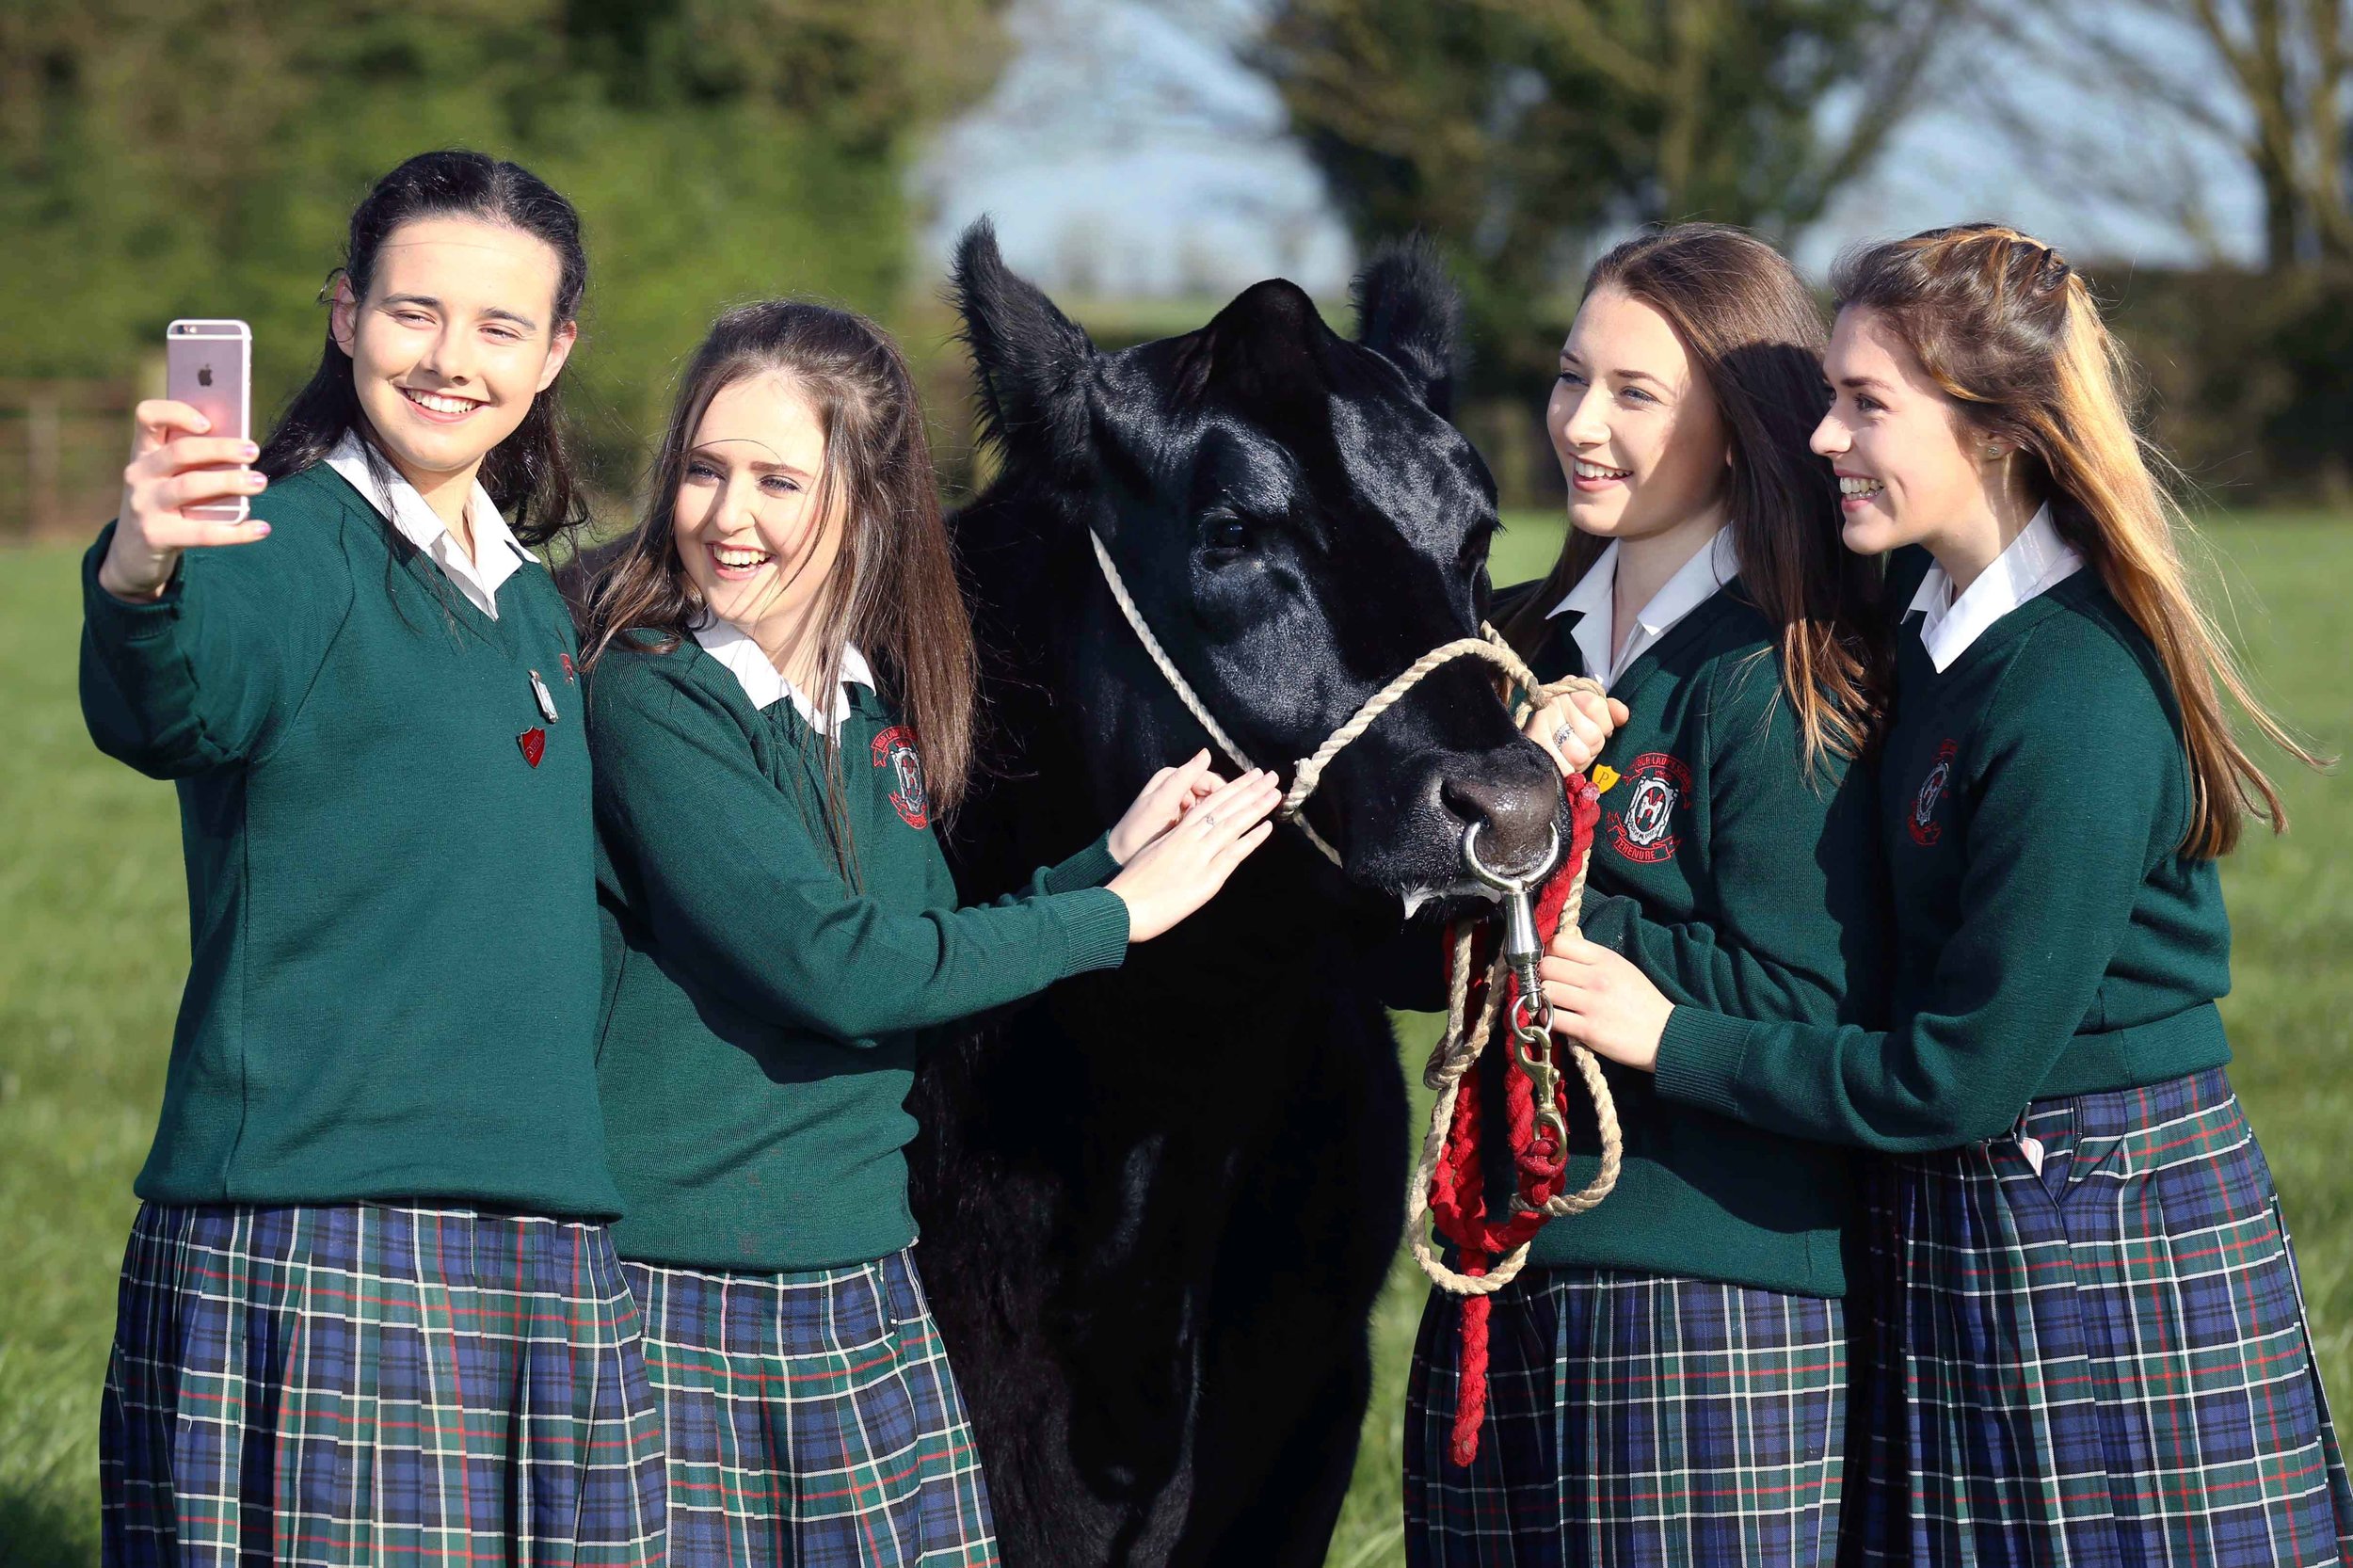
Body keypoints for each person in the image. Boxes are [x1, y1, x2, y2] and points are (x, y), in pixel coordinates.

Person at [1544, 222, 2353, 1565]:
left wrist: (1669, 1031)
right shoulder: (1926, 625)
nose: (1821, 438)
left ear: (1995, 430)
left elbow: (1959, 1077)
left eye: (1867, 406)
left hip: (2100, 1217)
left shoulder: (2077, 691)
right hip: (1969, 1209)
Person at [579, 299, 1281, 1565]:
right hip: (688, 1281)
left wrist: (1102, 854)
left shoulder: (865, 702)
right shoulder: (652, 691)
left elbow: (926, 939)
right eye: (703, 468)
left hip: (859, 1270)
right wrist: (1117, 912)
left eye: (777, 479)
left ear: (867, 497)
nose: (726, 514)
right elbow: (835, 967)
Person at [82, 150, 664, 1565]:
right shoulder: (278, 544)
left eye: (498, 326)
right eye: (414, 312)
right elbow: (171, 697)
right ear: (345, 317)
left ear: (554, 353)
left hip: (541, 1241)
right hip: (328, 1232)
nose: (450, 358)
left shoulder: (535, 602)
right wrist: (144, 568)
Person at [1404, 224, 1888, 1566]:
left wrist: (1564, 908)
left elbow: (1822, 994)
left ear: (1736, 431)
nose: (1581, 425)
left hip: (1712, 1292)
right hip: (1496, 1274)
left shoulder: (1787, 673)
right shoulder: (1503, 648)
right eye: (1570, 378)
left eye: (1634, 393)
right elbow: (1418, 943)